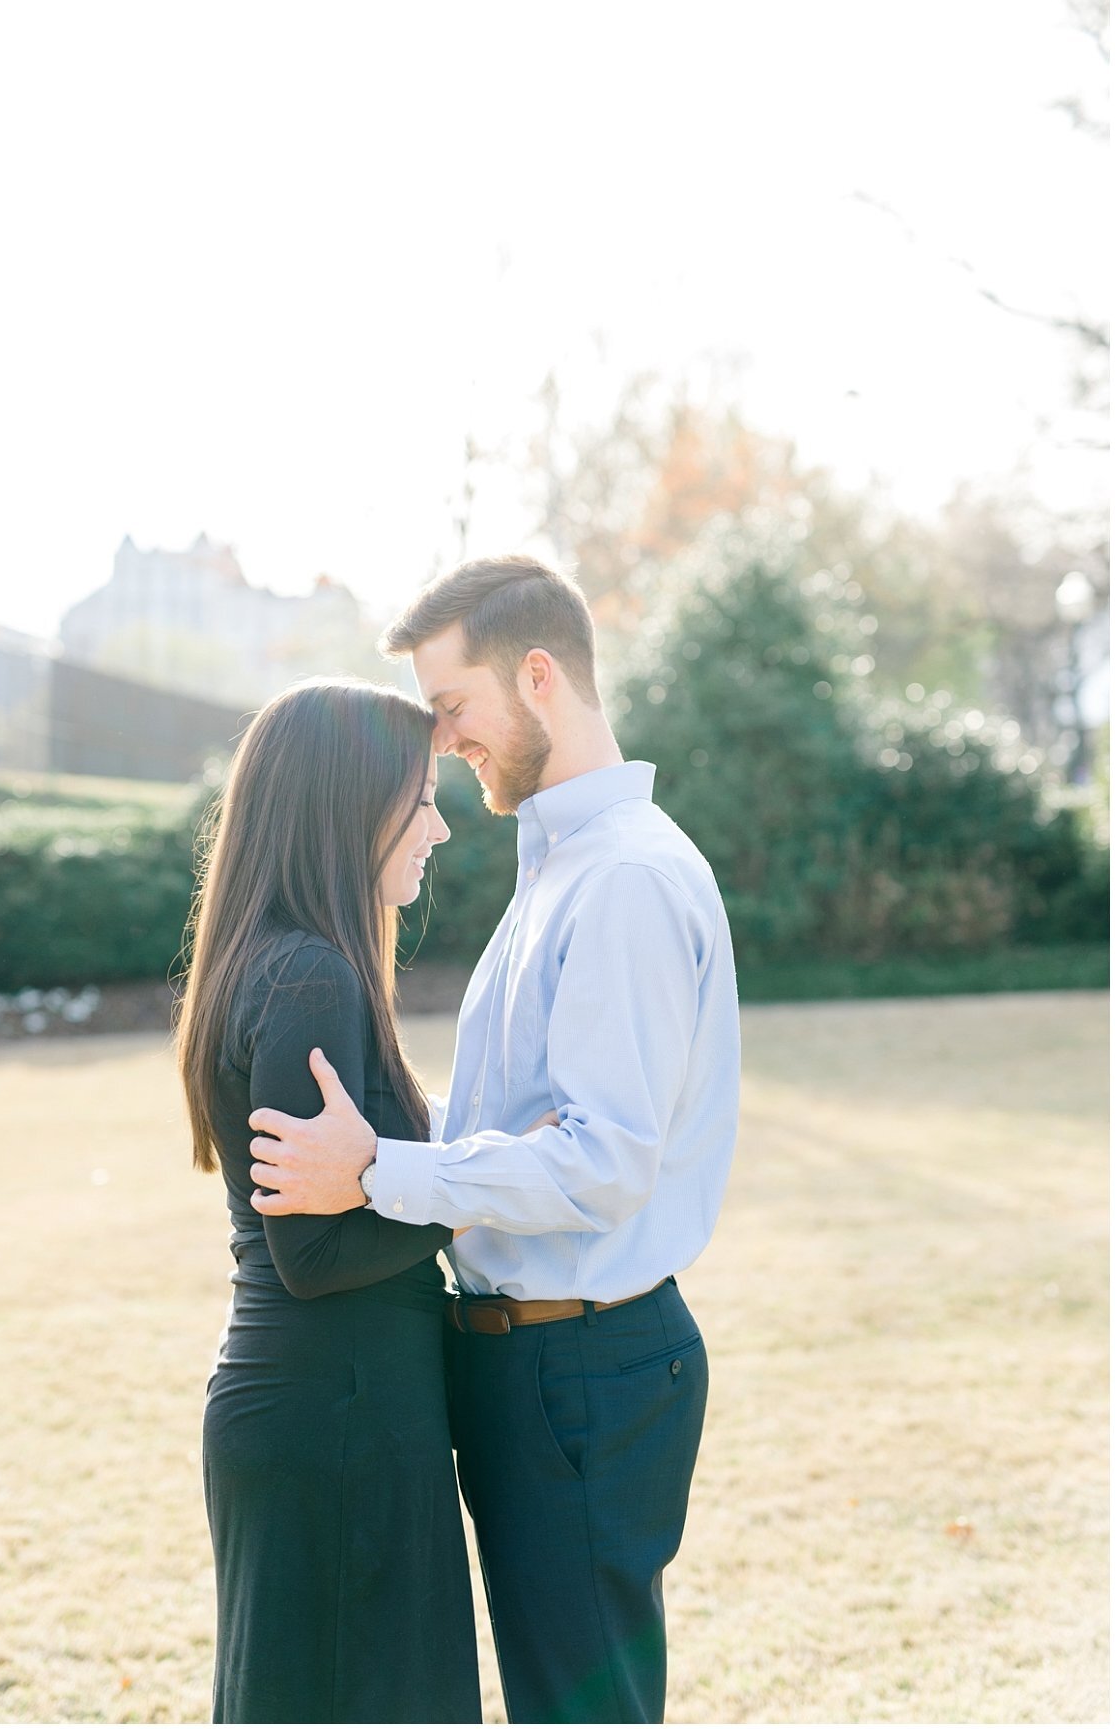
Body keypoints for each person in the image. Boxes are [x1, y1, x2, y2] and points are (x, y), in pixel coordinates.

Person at [247, 556, 741, 1725]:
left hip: (585, 1366)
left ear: (537, 676)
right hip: (529, 1361)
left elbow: (602, 1159)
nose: (443, 737)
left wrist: (375, 1169)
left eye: (453, 705)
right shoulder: (559, 869)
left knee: (586, 1710)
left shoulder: (622, 878)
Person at [174, 678, 483, 1726]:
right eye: (421, 796)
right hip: (333, 1414)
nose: (440, 824)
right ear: (349, 804)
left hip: (319, 1405)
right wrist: (480, 1194)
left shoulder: (279, 961)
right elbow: (312, 1253)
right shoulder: (310, 976)